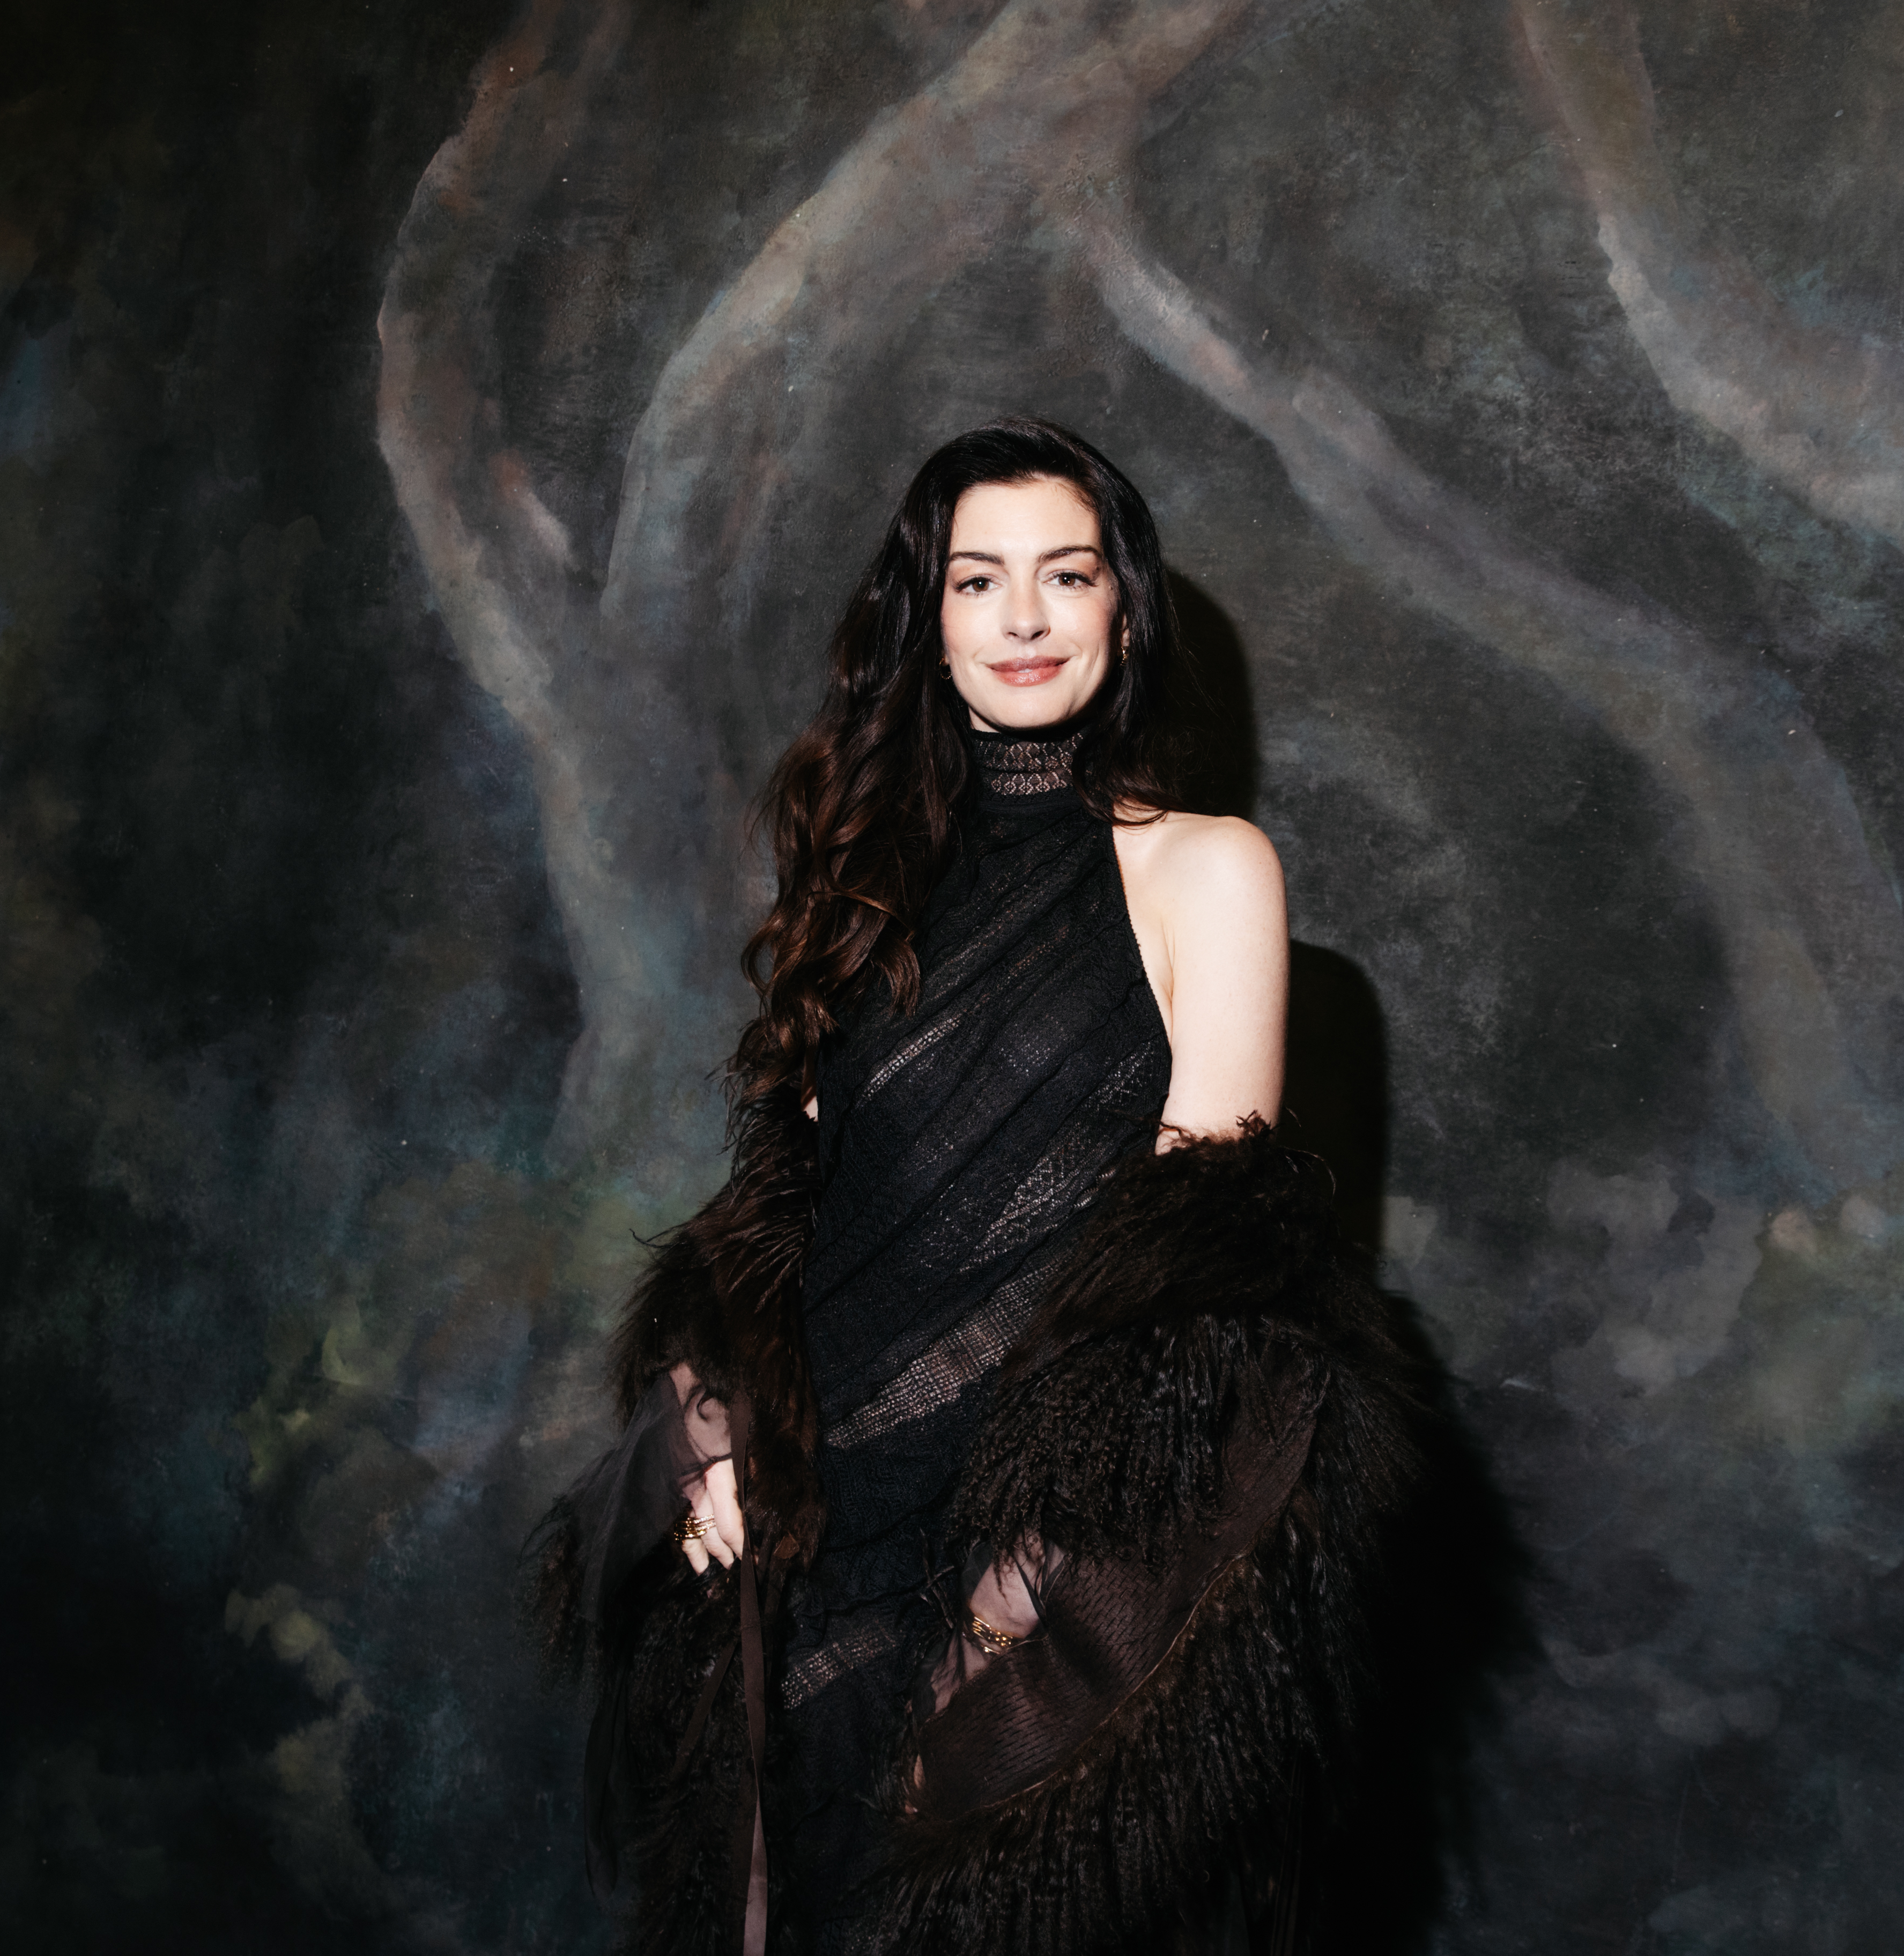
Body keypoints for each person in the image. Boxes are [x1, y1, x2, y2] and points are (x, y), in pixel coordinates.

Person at [528, 418, 1435, 1956]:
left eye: (1065, 575)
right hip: (826, 1526)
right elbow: (791, 1224)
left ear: (1123, 609)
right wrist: (721, 1436)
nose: (1021, 618)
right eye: (976, 580)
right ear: (927, 619)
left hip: (1041, 1548)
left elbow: (1197, 1272)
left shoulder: (1206, 869)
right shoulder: (860, 884)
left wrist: (1038, 1569)